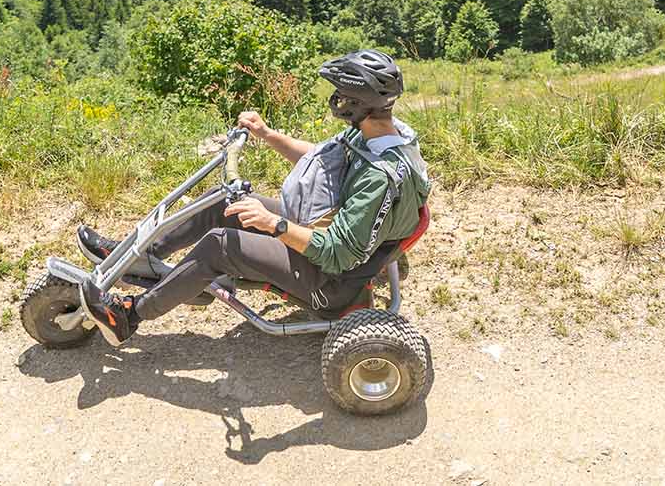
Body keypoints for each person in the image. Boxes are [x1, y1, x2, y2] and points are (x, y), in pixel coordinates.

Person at [77, 49, 431, 344]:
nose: (335, 99)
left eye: (340, 94)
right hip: (320, 232)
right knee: (224, 201)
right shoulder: (384, 133)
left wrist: (274, 225)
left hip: (331, 280)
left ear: (357, 102)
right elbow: (321, 160)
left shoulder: (378, 176)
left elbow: (339, 253)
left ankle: (128, 317)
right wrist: (266, 134)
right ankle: (142, 256)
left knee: (220, 245)